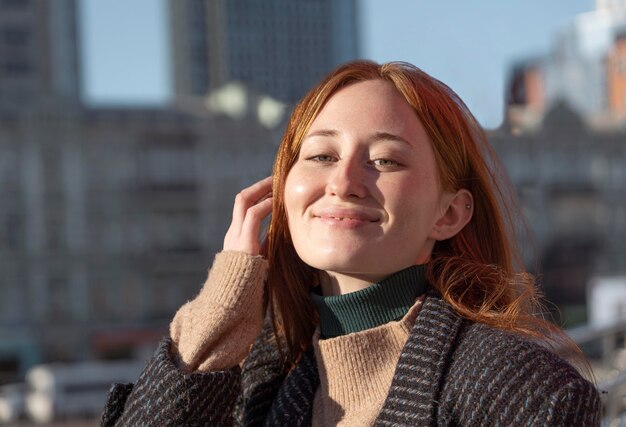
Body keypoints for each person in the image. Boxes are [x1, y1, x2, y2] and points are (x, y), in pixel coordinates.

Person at [101, 61, 602, 426]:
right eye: (320, 155)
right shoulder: (260, 385)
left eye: (384, 161)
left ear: (448, 213)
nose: (344, 182)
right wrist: (217, 313)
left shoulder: (521, 390)